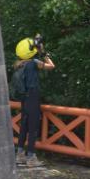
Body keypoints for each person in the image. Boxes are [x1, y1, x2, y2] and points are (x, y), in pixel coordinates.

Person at [15, 35, 55, 167]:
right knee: (33, 128)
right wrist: (43, 52)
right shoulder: (34, 63)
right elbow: (51, 66)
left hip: (24, 98)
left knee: (24, 126)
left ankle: (20, 155)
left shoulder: (19, 65)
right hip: (32, 96)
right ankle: (31, 157)